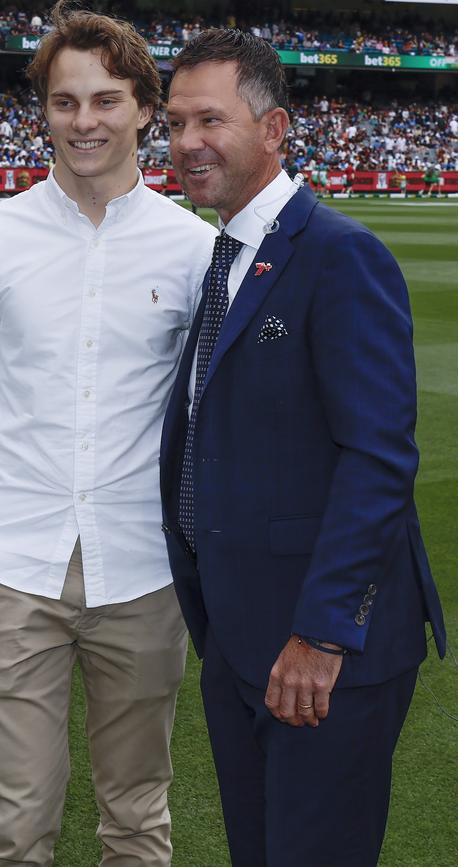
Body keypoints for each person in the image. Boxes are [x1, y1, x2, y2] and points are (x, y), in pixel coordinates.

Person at [0, 4, 216, 866]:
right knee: (15, 830)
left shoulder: (191, 250)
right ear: (43, 110)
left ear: (145, 110)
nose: (85, 122)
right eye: (65, 102)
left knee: (138, 821)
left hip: (146, 573)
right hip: (9, 567)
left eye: (107, 100)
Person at [161, 28, 446, 867]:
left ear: (275, 129)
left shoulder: (340, 256)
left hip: (320, 654)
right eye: (175, 124)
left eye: (209, 120)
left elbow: (381, 457)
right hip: (239, 637)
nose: (185, 143)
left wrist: (323, 634)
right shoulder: (223, 256)